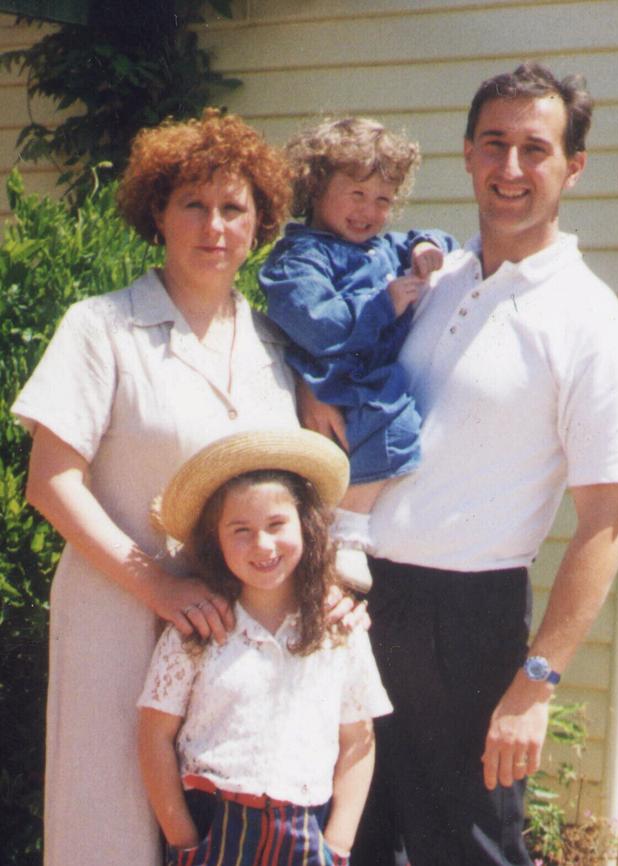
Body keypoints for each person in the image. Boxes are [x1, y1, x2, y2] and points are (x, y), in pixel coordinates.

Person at [302, 64, 618, 866]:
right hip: (352, 593)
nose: (512, 168)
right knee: (348, 836)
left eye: (537, 148)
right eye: (495, 144)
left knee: (468, 847)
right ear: (467, 153)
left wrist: (536, 684)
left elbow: (609, 519)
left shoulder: (591, 325)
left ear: (574, 166)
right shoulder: (433, 278)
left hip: (466, 625)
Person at [11, 110, 360, 866]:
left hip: (237, 635)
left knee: (214, 831)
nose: (214, 227)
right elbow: (50, 481)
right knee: (108, 822)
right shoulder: (100, 327)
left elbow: (309, 493)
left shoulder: (276, 345)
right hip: (117, 612)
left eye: (234, 208)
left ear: (260, 222)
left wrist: (336, 577)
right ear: (157, 214)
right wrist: (157, 587)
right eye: (193, 205)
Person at [138, 428, 393, 866]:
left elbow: (358, 741)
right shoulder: (197, 629)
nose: (262, 545)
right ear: (215, 539)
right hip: (213, 826)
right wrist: (184, 842)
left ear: (306, 524)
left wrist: (337, 846)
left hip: (307, 831)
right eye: (241, 530)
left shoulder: (338, 630)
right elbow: (154, 735)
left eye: (277, 525)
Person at [259, 118, 458, 590]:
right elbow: (315, 322)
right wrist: (383, 304)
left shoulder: (380, 249)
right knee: (390, 424)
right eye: (357, 195)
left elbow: (437, 241)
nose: (369, 211)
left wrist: (426, 246)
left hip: (365, 378)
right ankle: (345, 533)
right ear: (316, 187)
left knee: (392, 423)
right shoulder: (301, 255)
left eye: (383, 200)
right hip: (332, 375)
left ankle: (339, 527)